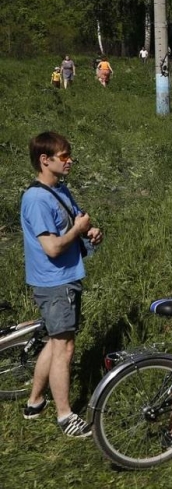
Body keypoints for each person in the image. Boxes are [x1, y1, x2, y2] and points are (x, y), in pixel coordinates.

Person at [21, 131, 104, 437]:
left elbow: (76, 224)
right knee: (64, 347)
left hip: (65, 278)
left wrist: (90, 232)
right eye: (64, 156)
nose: (70, 161)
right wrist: (77, 230)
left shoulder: (60, 190)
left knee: (56, 341)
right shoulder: (36, 199)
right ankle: (65, 415)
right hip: (55, 282)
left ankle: (34, 402)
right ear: (45, 160)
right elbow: (52, 248)